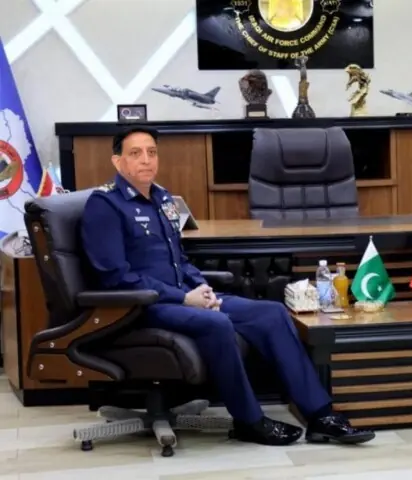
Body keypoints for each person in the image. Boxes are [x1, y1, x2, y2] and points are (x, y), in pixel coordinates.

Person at [80, 126, 375, 446]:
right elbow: (115, 277)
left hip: (185, 297)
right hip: (143, 306)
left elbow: (180, 259)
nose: (146, 160)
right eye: (135, 153)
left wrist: (202, 289)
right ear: (117, 161)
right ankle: (249, 420)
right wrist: (184, 298)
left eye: (152, 152)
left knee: (272, 313)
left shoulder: (162, 198)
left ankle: (321, 416)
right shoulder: (105, 205)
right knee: (217, 323)